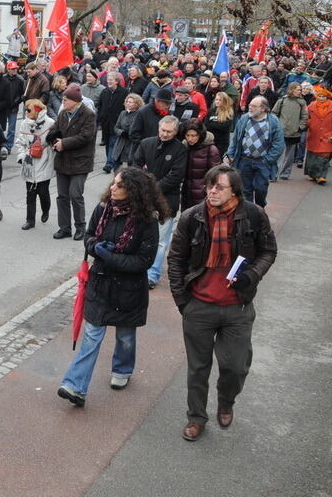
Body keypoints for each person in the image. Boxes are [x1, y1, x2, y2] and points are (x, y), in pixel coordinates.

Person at [167, 165, 278, 442]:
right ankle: (196, 417)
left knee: (235, 366)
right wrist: (183, 301)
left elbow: (268, 251)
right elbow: (176, 259)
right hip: (199, 306)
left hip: (236, 306)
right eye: (209, 186)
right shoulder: (192, 217)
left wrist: (251, 275)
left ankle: (226, 400)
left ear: (234, 191)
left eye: (219, 187)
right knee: (198, 368)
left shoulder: (253, 215)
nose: (212, 192)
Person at [56, 168, 166, 407]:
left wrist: (109, 256)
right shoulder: (103, 208)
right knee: (92, 335)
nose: (112, 188)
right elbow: (88, 236)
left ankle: (123, 369)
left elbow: (143, 262)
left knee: (125, 335)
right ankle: (75, 386)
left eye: (119, 185)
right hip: (100, 283)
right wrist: (95, 247)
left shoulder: (147, 221)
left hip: (128, 290)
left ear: (134, 192)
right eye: (113, 183)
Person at [133, 115, 188, 289]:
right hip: (143, 199)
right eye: (163, 130)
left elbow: (176, 175)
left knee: (161, 241)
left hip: (166, 201)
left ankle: (152, 274)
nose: (165, 134)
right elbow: (135, 164)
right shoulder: (146, 143)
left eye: (169, 132)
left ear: (175, 131)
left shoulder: (180, 150)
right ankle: (137, 268)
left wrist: (152, 187)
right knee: (138, 235)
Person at [52, 84, 97, 241]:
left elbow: (86, 136)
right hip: (63, 161)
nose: (63, 101)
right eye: (63, 98)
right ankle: (64, 228)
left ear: (76, 101)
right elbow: (55, 128)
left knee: (75, 194)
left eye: (66, 99)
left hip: (80, 162)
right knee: (62, 196)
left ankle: (80, 227)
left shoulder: (88, 115)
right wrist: (50, 137)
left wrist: (64, 143)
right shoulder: (63, 113)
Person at [226, 96, 284, 207]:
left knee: (260, 189)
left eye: (254, 106)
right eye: (250, 105)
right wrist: (230, 154)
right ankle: (249, 214)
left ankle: (260, 209)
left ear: (263, 108)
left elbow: (279, 145)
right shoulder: (244, 119)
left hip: (262, 162)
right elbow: (236, 139)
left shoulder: (273, 121)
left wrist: (268, 160)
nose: (250, 108)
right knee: (245, 191)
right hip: (244, 161)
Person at [15, 99, 56, 230]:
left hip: (44, 161)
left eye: (28, 110)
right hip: (29, 161)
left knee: (43, 191)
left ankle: (45, 210)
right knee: (30, 192)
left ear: (37, 110)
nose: (26, 112)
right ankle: (30, 220)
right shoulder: (24, 124)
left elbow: (54, 143)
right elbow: (20, 142)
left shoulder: (50, 124)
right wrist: (22, 157)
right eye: (25, 109)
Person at [180, 119, 221, 209]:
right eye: (188, 135)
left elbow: (215, 174)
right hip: (187, 191)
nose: (190, 139)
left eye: (194, 135)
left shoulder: (211, 149)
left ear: (200, 134)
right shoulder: (185, 146)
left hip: (203, 193)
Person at [272, 83, 309, 180]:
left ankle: (285, 173)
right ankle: (274, 174)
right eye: (297, 89)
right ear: (291, 90)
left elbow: (305, 116)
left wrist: (300, 127)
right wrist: (277, 126)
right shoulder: (282, 100)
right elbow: (274, 113)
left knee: (289, 156)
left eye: (300, 90)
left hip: (294, 132)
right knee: (278, 154)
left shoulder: (302, 102)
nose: (299, 91)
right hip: (281, 131)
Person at [98, 72, 128, 172]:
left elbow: (126, 108)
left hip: (117, 122)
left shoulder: (124, 92)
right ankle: (113, 161)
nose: (109, 81)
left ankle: (109, 164)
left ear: (116, 81)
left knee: (114, 143)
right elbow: (100, 106)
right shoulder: (104, 92)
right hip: (106, 123)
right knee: (108, 144)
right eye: (108, 79)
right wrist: (100, 119)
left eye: (111, 79)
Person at [304, 84, 332, 184]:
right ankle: (312, 174)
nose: (321, 98)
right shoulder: (311, 106)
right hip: (314, 133)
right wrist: (308, 124)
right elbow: (306, 117)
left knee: (324, 155)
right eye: (319, 96)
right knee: (312, 155)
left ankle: (321, 176)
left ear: (327, 97)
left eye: (323, 96)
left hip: (327, 134)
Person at [112, 93, 144, 168]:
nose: (128, 104)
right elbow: (116, 127)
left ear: (137, 104)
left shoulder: (139, 114)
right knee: (116, 166)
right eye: (127, 102)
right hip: (120, 142)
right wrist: (121, 132)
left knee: (130, 166)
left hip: (131, 144)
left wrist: (130, 134)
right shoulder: (122, 113)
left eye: (130, 102)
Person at [204, 90, 235, 160]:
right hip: (210, 140)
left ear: (224, 101)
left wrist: (212, 124)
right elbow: (206, 124)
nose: (217, 101)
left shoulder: (229, 112)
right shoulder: (211, 110)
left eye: (220, 100)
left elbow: (225, 127)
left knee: (216, 160)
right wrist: (216, 124)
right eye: (216, 99)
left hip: (221, 142)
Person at [3, 61, 25, 148]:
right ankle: (1, 144)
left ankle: (8, 146)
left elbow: (22, 94)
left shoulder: (20, 80)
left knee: (11, 129)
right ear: (8, 69)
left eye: (15, 68)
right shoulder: (3, 78)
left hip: (14, 107)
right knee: (0, 127)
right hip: (4, 106)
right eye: (12, 69)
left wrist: (17, 101)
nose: (15, 70)